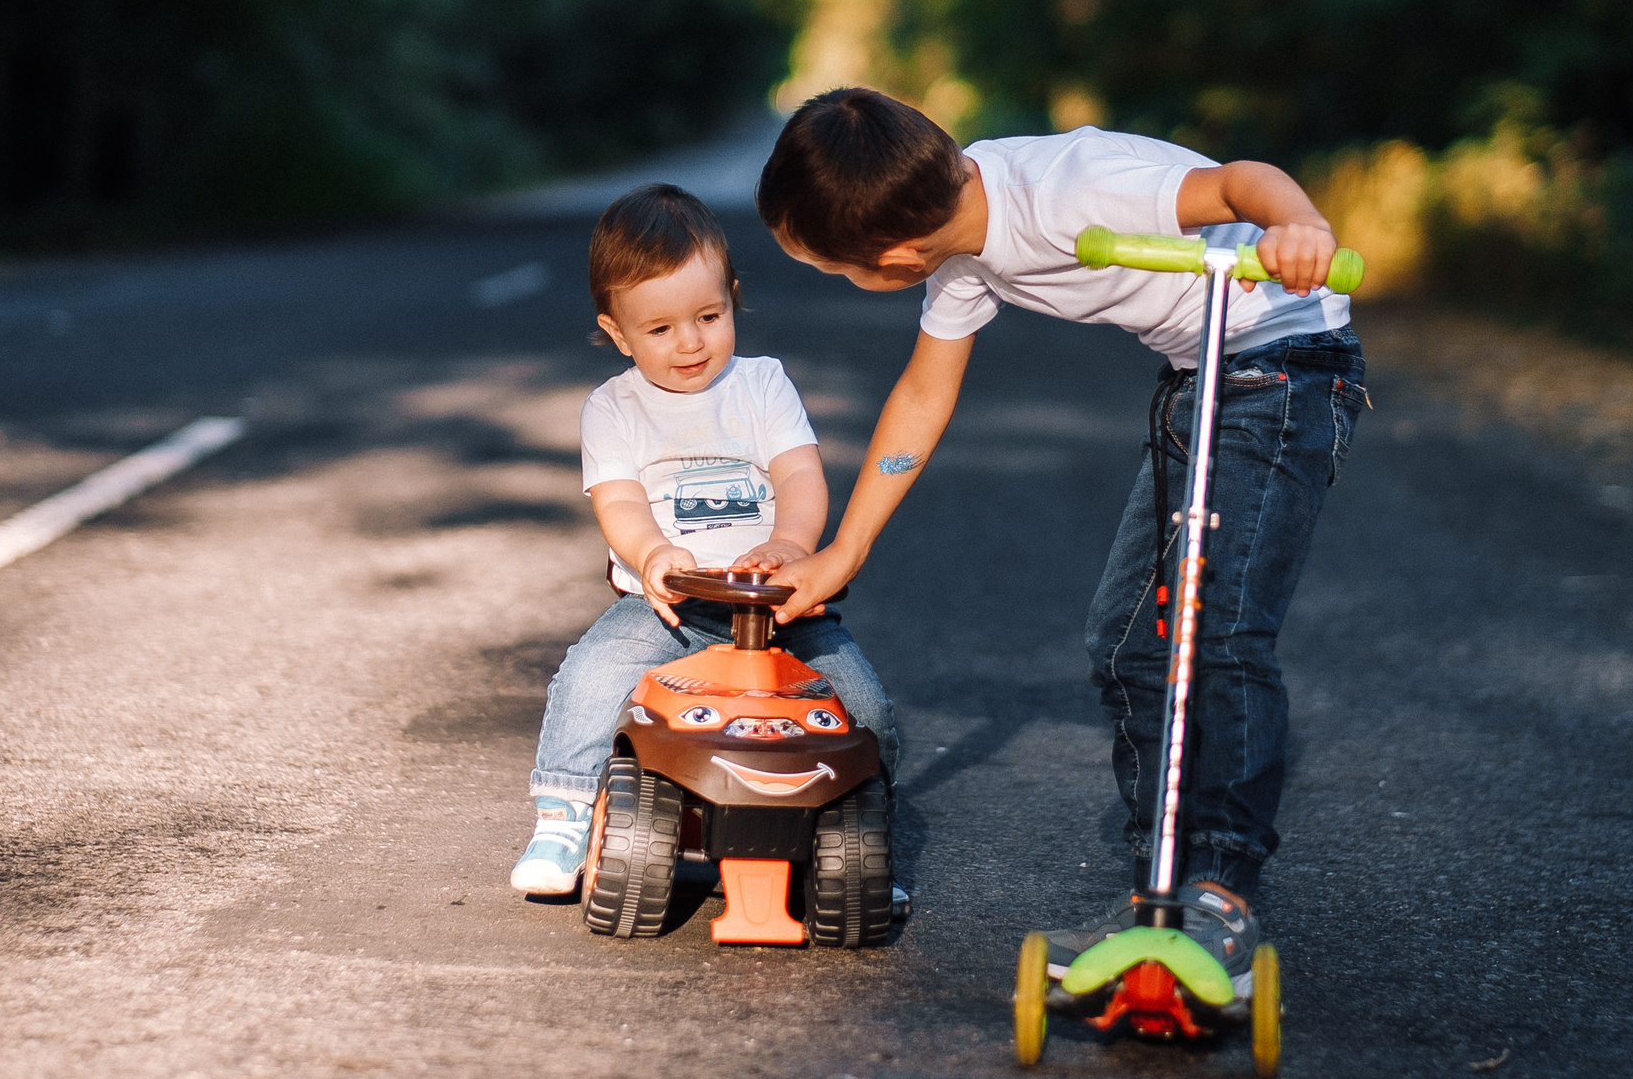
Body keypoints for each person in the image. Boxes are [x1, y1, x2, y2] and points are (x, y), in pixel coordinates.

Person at [756, 89, 1364, 994]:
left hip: (1283, 371)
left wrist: (1299, 225)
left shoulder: (1073, 190)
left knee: (1219, 631)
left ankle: (1221, 891)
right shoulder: (961, 248)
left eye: (838, 269)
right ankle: (1159, 889)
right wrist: (844, 549)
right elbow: (924, 395)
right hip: (1198, 378)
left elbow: (1242, 180)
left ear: (892, 259)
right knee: (1127, 643)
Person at [509, 184, 901, 895]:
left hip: (778, 606)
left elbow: (799, 473)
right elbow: (619, 499)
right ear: (620, 333)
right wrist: (654, 553)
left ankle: (861, 837)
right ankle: (563, 812)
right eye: (659, 330)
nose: (689, 342)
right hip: (671, 608)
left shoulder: (761, 384)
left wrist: (790, 541)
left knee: (858, 700)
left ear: (733, 299)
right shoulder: (614, 407)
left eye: (708, 316)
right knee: (593, 671)